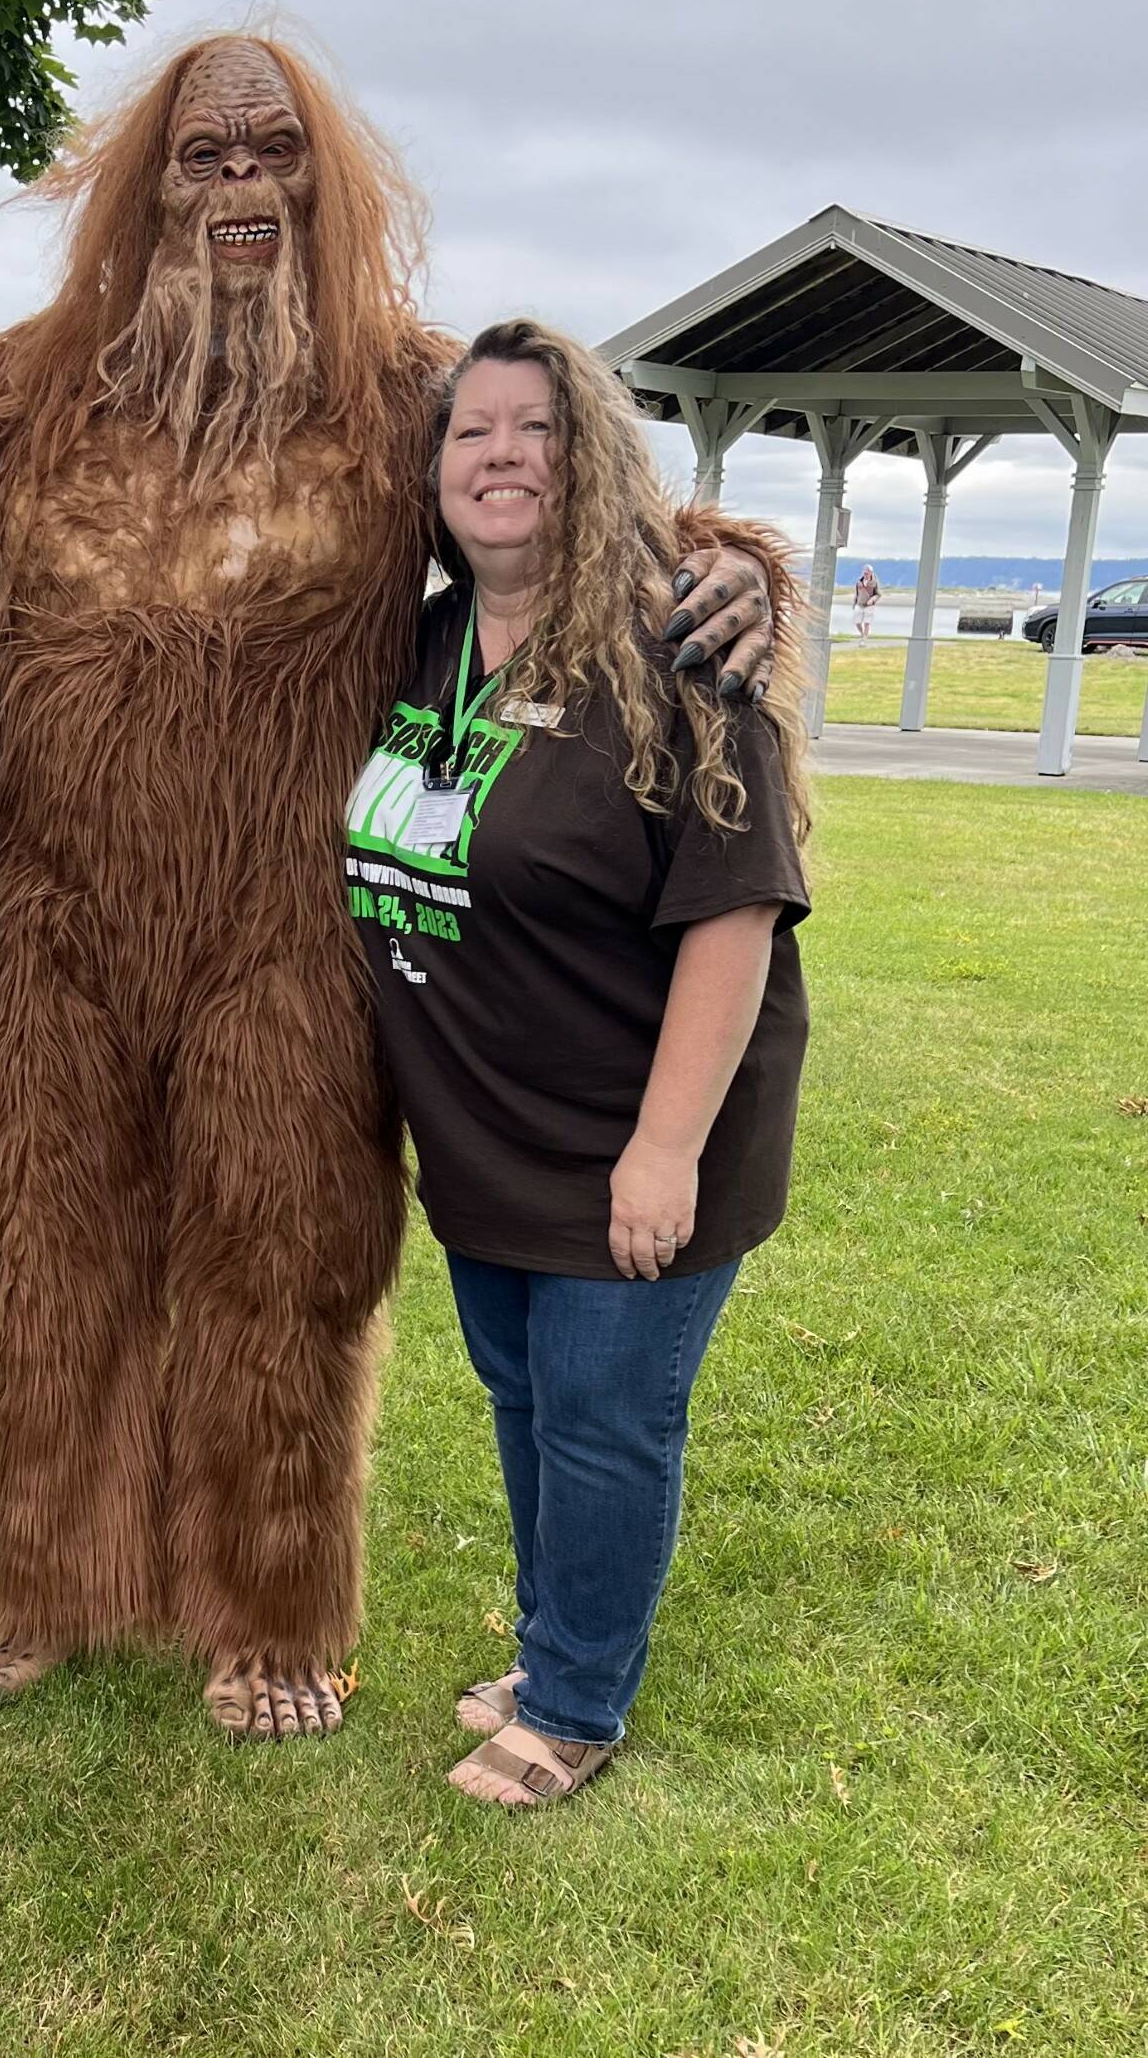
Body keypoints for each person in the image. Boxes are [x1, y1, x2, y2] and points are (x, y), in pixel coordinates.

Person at [0, 34, 783, 1743]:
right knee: (45, 1248)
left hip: (292, 926)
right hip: (49, 918)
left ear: (326, 180)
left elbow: (557, 499)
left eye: (272, 156)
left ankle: (274, 1614)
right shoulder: (38, 383)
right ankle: (49, 1588)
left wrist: (727, 565)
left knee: (277, 1250)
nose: (238, 192)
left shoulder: (399, 393)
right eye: (203, 163)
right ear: (147, 191)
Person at [345, 317, 810, 1807]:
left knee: (606, 1416)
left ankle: (581, 1698)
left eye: (535, 428)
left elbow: (736, 913)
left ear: (590, 454)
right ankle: (558, 1643)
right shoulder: (417, 644)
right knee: (526, 1397)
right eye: (470, 430)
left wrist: (663, 1148)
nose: (499, 455)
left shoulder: (678, 645)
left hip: (637, 1129)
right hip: (487, 1136)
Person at [853, 563, 881, 640]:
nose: (865, 574)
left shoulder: (874, 582)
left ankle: (864, 637)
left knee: (867, 623)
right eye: (864, 572)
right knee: (857, 623)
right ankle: (862, 634)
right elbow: (857, 593)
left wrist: (872, 600)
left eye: (867, 572)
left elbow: (878, 594)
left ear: (871, 573)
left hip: (869, 606)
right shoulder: (859, 581)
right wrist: (854, 603)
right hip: (859, 604)